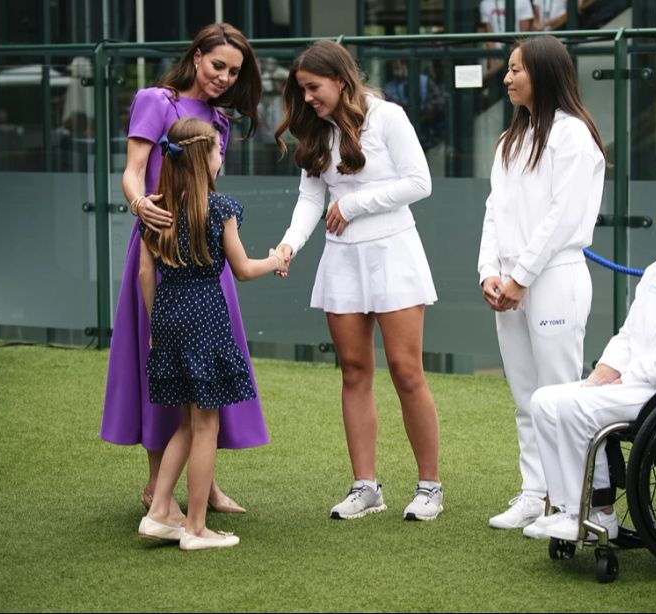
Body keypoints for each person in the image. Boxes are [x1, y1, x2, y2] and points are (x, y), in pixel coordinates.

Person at [273, 40, 443, 522]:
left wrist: (352, 205)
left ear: (341, 80)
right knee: (353, 372)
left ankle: (430, 487)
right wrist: (289, 245)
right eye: (301, 90)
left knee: (408, 372)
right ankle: (365, 487)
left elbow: (419, 182)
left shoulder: (388, 116)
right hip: (341, 261)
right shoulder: (315, 130)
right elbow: (310, 199)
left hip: (395, 254)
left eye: (313, 87)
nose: (306, 98)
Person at [100, 22, 264, 520]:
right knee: (162, 368)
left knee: (206, 371)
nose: (224, 78)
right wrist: (138, 205)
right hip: (157, 251)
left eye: (234, 72)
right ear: (196, 57)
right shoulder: (157, 100)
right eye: (218, 66)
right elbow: (132, 170)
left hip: (208, 261)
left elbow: (208, 191)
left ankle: (204, 486)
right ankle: (158, 487)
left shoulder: (220, 119)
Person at [526, 178, 656, 541]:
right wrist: (605, 370)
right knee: (543, 401)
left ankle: (597, 514)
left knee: (577, 408)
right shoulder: (655, 272)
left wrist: (626, 378)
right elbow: (629, 334)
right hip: (641, 382)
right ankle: (567, 508)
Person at [136, 118, 284, 551]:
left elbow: (147, 274)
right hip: (204, 316)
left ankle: (159, 511)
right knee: (207, 425)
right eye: (220, 151)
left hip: (167, 314)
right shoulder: (220, 209)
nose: (223, 158)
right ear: (206, 159)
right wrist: (275, 259)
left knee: (186, 420)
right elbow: (242, 269)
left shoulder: (154, 209)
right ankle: (196, 528)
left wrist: (154, 327)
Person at [478, 35, 606, 531]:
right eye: (507, 70)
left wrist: (522, 277)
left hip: (554, 277)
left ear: (545, 74)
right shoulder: (512, 140)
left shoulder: (573, 136)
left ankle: (575, 503)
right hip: (512, 279)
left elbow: (561, 216)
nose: (506, 78)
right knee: (525, 394)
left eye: (516, 70)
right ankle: (536, 493)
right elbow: (494, 211)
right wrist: (489, 272)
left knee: (559, 392)